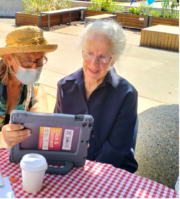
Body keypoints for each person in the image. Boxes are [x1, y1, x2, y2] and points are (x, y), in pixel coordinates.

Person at [54, 20, 138, 173]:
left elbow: (115, 151)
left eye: (103, 57)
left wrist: (84, 174)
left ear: (114, 59)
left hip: (112, 170)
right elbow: (58, 134)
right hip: (72, 166)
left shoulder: (127, 95)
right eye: (89, 53)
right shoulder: (64, 86)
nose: (94, 63)